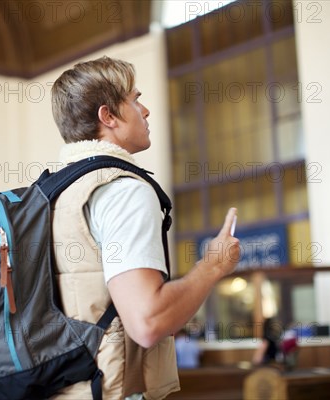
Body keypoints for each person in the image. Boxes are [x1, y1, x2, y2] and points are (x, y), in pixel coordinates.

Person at [50, 56, 240, 399]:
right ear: (107, 116)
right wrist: (213, 266)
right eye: (135, 100)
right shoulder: (123, 190)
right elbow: (147, 322)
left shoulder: (52, 195)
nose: (146, 110)